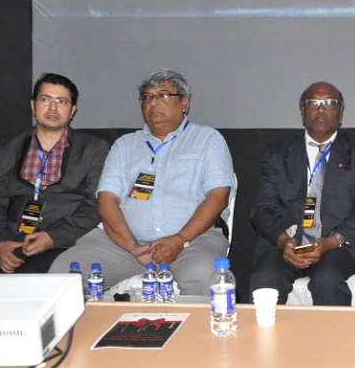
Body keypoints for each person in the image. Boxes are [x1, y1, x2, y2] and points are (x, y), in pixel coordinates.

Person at [50, 70, 233, 299]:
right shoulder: (124, 145)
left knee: (204, 274)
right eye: (147, 97)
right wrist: (133, 246)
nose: (153, 102)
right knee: (63, 271)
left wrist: (179, 239)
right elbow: (106, 200)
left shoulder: (208, 140)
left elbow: (218, 197)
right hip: (124, 246)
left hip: (192, 242)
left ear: (184, 102)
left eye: (163, 95)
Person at [0, 74, 108, 277]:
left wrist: (51, 237)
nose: (53, 108)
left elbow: (95, 205)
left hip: (62, 245)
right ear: (33, 105)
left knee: (29, 279)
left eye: (61, 101)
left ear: (72, 110)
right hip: (12, 242)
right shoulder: (10, 146)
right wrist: (0, 243)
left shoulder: (93, 149)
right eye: (45, 99)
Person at [249, 82, 355, 305]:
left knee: (327, 280)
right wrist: (283, 241)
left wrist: (331, 241)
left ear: (340, 113)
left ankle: (329, 331)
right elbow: (262, 208)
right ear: (302, 112)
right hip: (286, 243)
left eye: (329, 103)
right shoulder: (277, 152)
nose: (321, 109)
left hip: (337, 245)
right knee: (265, 280)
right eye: (313, 103)